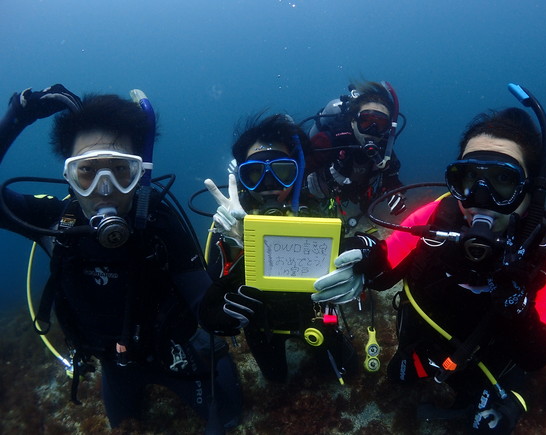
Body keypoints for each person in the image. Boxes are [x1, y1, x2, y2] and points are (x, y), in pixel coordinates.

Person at [311, 104, 546, 433]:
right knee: (399, 379)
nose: (480, 197)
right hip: (426, 344)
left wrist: (516, 305)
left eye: (503, 180)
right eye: (468, 179)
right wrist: (363, 252)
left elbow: (542, 354)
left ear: (529, 190)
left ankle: (507, 395)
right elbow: (384, 267)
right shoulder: (437, 217)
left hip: (490, 357)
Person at [0, 84, 242, 431]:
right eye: (87, 171)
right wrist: (16, 116)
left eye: (120, 170)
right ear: (68, 176)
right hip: (114, 365)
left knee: (230, 420)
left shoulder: (159, 223)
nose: (104, 188)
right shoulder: (57, 224)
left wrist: (225, 311)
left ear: (140, 175)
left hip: (178, 356)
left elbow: (204, 301)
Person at [199, 114, 357, 383]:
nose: (269, 184)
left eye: (282, 171)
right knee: (275, 380)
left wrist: (360, 263)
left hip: (314, 316)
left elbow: (348, 260)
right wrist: (242, 242)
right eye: (255, 173)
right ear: (241, 177)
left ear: (298, 172)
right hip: (261, 325)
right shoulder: (227, 226)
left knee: (345, 373)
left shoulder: (317, 216)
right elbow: (212, 292)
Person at [305, 81, 406, 228]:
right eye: (366, 121)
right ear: (353, 121)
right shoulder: (328, 141)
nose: (372, 130)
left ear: (387, 129)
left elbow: (392, 177)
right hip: (324, 195)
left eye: (380, 124)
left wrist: (394, 193)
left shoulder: (384, 150)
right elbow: (300, 171)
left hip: (359, 196)